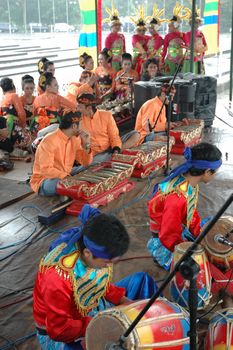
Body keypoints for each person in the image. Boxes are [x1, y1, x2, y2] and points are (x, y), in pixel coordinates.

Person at [33, 204, 158, 349]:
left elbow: (99, 283)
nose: (109, 266)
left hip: (91, 306)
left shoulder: (93, 252)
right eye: (107, 262)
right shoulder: (57, 277)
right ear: (87, 253)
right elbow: (58, 329)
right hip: (64, 330)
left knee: (142, 280)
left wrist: (124, 300)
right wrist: (96, 329)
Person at [147, 142, 222, 270]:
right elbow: (168, 235)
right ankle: (160, 257)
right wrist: (188, 251)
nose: (215, 175)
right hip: (165, 243)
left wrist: (199, 234)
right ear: (207, 171)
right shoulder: (176, 197)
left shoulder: (188, 183)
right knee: (201, 268)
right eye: (215, 172)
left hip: (178, 228)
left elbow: (190, 212)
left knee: (213, 224)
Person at [30, 111, 93, 196]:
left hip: (65, 174)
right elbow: (46, 170)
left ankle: (71, 186)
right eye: (80, 125)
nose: (82, 128)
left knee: (92, 166)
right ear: (74, 126)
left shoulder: (75, 139)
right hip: (46, 180)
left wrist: (86, 144)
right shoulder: (49, 140)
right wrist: (67, 177)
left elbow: (85, 162)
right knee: (64, 183)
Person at [76, 93, 140, 165]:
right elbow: (78, 144)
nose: (77, 109)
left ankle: (114, 154)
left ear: (89, 108)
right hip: (95, 154)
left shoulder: (106, 115)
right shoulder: (78, 121)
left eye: (80, 107)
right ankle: (111, 157)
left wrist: (116, 149)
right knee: (92, 161)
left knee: (136, 134)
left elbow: (114, 135)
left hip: (110, 147)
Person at [0, 77, 29, 155]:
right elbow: (21, 113)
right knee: (29, 136)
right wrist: (23, 125)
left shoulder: (3, 99)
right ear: (13, 86)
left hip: (6, 125)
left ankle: (11, 149)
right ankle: (17, 149)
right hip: (14, 124)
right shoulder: (14, 95)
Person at [161, 2, 188, 76]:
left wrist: (184, 57)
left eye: (170, 26)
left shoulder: (183, 35)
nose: (169, 28)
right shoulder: (167, 36)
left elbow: (188, 48)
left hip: (180, 61)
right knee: (168, 78)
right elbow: (164, 50)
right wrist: (162, 60)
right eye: (169, 26)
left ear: (176, 25)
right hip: (169, 61)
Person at [182, 7, 208, 75]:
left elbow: (206, 47)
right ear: (190, 23)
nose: (196, 24)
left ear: (199, 23)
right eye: (194, 22)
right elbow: (189, 46)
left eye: (197, 22)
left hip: (199, 58)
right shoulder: (187, 34)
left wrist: (200, 52)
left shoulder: (201, 33)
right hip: (190, 58)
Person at [103, 2, 126, 71]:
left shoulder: (122, 36)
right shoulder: (108, 38)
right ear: (111, 26)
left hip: (122, 60)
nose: (118, 27)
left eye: (119, 25)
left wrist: (124, 58)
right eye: (115, 25)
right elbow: (107, 52)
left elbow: (124, 49)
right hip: (113, 61)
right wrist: (114, 58)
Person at [130, 5, 149, 76]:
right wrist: (144, 53)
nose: (142, 32)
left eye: (143, 30)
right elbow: (139, 46)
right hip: (136, 58)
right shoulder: (134, 37)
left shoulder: (147, 37)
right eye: (139, 30)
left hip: (145, 58)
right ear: (137, 30)